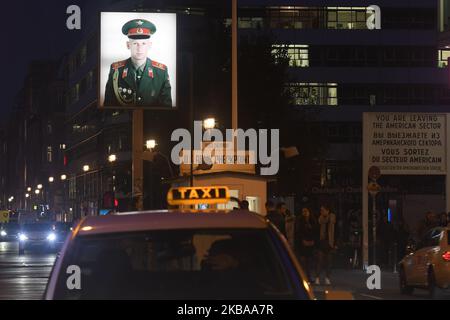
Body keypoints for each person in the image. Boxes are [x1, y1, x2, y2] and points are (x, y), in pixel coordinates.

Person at [104, 19, 172, 107]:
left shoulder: (161, 72)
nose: (139, 48)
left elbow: (167, 108)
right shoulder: (116, 70)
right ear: (128, 45)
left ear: (149, 45)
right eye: (135, 43)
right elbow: (108, 105)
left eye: (143, 43)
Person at [314, 205, 336, 286]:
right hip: (321, 242)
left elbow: (336, 231)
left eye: (323, 210)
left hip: (330, 242)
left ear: (327, 211)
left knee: (329, 262)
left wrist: (336, 243)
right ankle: (317, 277)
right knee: (320, 261)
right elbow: (316, 231)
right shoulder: (320, 219)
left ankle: (327, 278)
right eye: (321, 210)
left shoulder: (333, 219)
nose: (321, 212)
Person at [295, 208, 317, 282]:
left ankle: (308, 277)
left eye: (306, 211)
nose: (305, 213)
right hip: (302, 243)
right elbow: (298, 232)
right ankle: (302, 277)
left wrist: (313, 240)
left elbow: (315, 230)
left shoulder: (312, 220)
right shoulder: (300, 220)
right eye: (303, 211)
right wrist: (303, 240)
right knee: (303, 261)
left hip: (310, 242)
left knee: (309, 261)